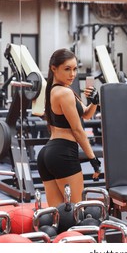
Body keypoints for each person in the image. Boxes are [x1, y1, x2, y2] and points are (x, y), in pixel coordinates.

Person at [37, 48, 101, 208]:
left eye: (74, 69)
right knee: (77, 211)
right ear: (53, 68)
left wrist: (95, 102)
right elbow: (78, 129)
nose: (72, 74)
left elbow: (86, 114)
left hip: (47, 154)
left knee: (56, 215)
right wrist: (92, 158)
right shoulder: (64, 93)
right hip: (62, 154)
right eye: (67, 69)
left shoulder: (58, 90)